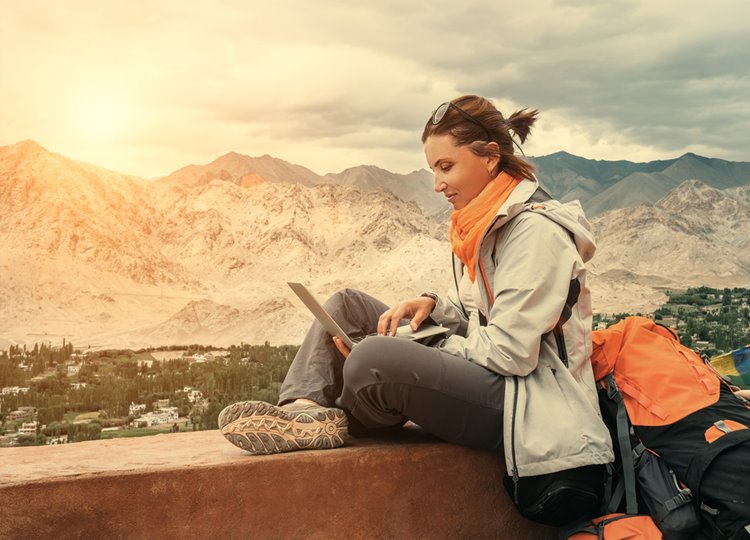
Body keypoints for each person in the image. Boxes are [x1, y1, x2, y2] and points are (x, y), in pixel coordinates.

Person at [218, 95, 614, 485]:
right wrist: (432, 306)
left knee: (373, 356)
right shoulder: (477, 224)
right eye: (433, 170)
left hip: (526, 403)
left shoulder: (534, 233)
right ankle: (303, 415)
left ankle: (340, 411)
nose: (438, 184)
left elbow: (509, 352)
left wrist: (418, 347)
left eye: (446, 167)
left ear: (491, 156)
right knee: (346, 305)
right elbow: (469, 314)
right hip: (495, 378)